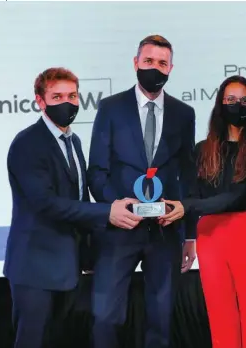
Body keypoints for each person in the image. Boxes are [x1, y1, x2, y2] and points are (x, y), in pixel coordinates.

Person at [4, 67, 140, 348]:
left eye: (72, 95)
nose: (67, 102)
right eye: (57, 96)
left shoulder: (73, 141)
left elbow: (77, 199)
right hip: (35, 270)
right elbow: (47, 204)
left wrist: (94, 243)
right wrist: (107, 212)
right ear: (40, 101)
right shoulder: (28, 143)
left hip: (68, 267)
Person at [87, 35, 196, 348]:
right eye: (148, 61)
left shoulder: (183, 113)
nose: (154, 68)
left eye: (162, 63)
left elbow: (187, 174)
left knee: (161, 320)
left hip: (166, 233)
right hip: (118, 229)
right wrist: (114, 207)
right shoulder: (110, 108)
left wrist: (190, 233)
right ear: (136, 63)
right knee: (106, 317)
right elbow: (97, 170)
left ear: (171, 68)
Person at [160, 75, 246, 348]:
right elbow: (192, 194)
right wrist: (187, 231)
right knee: (220, 318)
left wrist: (187, 207)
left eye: (244, 100)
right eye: (230, 100)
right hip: (210, 237)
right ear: (220, 104)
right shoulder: (203, 150)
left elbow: (241, 197)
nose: (237, 105)